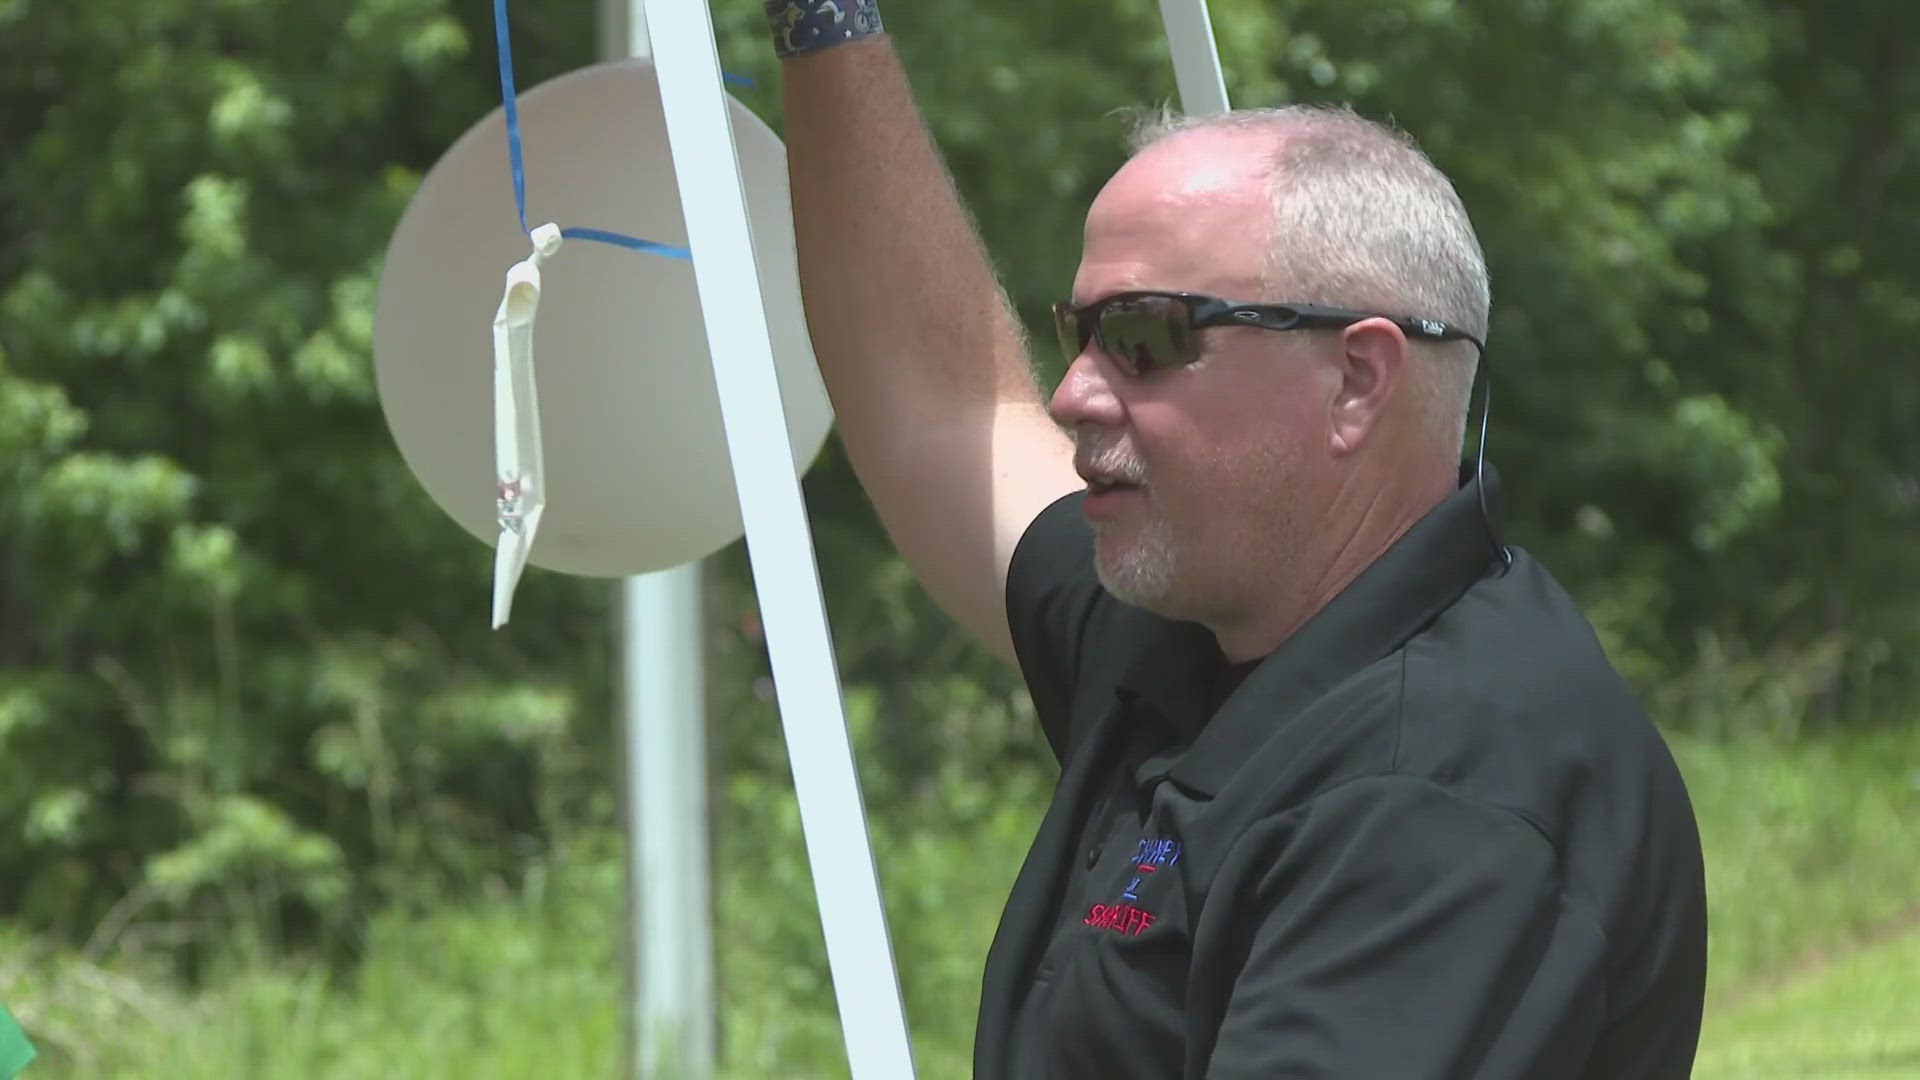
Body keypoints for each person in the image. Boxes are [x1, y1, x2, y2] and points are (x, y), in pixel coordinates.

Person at [761, 2, 1708, 1076]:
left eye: (1144, 338)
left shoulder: (1435, 801)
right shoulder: (1202, 623)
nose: (1073, 392)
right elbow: (945, 407)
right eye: (1079, 336)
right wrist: (819, 18)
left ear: (1357, 378)